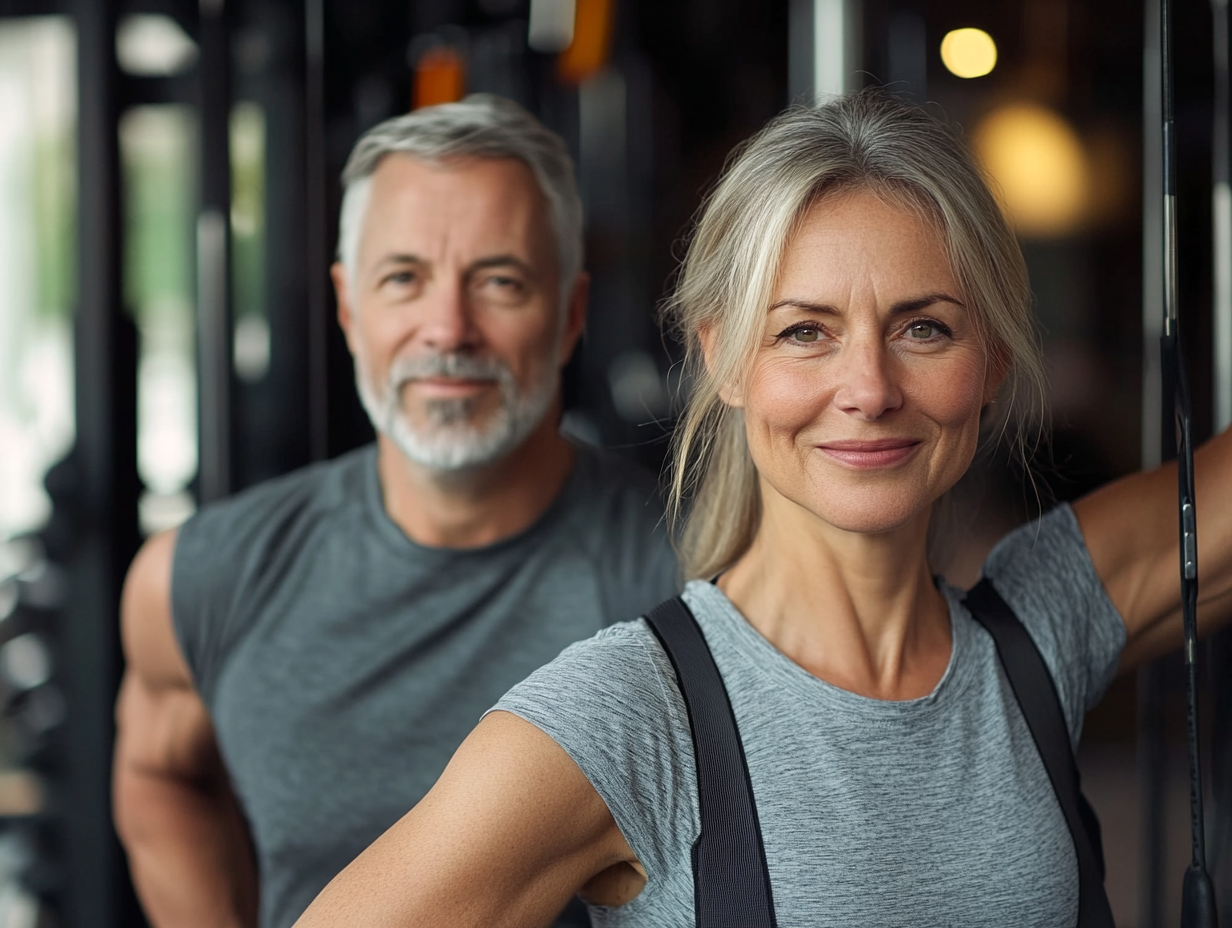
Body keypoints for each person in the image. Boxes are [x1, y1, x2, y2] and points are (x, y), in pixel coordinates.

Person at [289, 89, 1232, 928]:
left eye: (924, 327)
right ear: (726, 359)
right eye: (804, 332)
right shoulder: (630, 714)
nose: (867, 387)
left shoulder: (1039, 627)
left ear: (988, 361)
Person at [112, 94, 679, 928]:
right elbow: (161, 776)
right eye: (403, 279)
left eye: (499, 281)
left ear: (569, 316)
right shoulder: (201, 577)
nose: (447, 330)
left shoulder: (694, 575)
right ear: (349, 308)